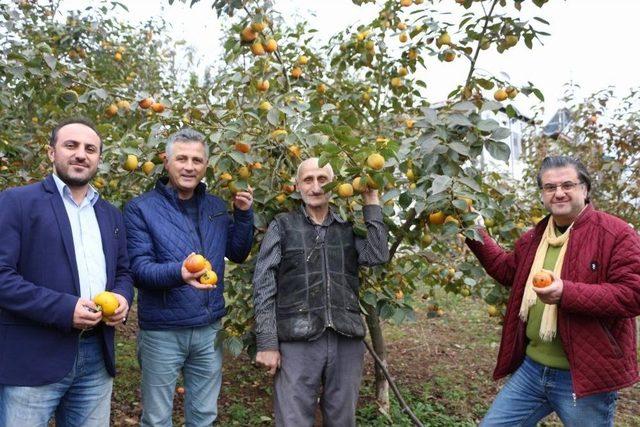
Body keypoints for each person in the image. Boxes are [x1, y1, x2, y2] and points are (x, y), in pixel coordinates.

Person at [466, 156, 640, 426]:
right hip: (533, 369)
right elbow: (507, 271)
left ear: (585, 189)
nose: (558, 192)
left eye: (567, 184)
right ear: (543, 195)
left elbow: (632, 294)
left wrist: (566, 293)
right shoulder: (535, 238)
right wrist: (474, 233)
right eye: (550, 187)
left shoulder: (615, 234)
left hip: (583, 377)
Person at [0, 118, 134, 427]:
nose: (81, 155)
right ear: (51, 153)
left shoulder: (110, 214)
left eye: (90, 149)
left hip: (96, 358)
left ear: (98, 158)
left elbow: (124, 272)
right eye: (71, 145)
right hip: (32, 358)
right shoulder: (17, 202)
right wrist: (64, 308)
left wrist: (122, 298)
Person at [124, 128, 254, 426]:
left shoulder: (216, 207)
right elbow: (139, 270)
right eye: (181, 158)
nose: (189, 166)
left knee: (204, 415)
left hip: (209, 329)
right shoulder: (140, 209)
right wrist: (179, 273)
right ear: (166, 162)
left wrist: (244, 214)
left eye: (197, 160)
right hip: (162, 332)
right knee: (157, 418)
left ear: (205, 165)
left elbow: (237, 253)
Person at [252, 158, 389, 426]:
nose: (315, 187)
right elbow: (264, 283)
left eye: (322, 179)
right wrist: (267, 342)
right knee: (293, 420)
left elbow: (377, 255)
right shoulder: (283, 225)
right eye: (308, 180)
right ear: (297, 186)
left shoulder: (348, 225)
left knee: (342, 419)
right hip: (297, 339)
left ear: (334, 185)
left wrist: (371, 202)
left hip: (346, 338)